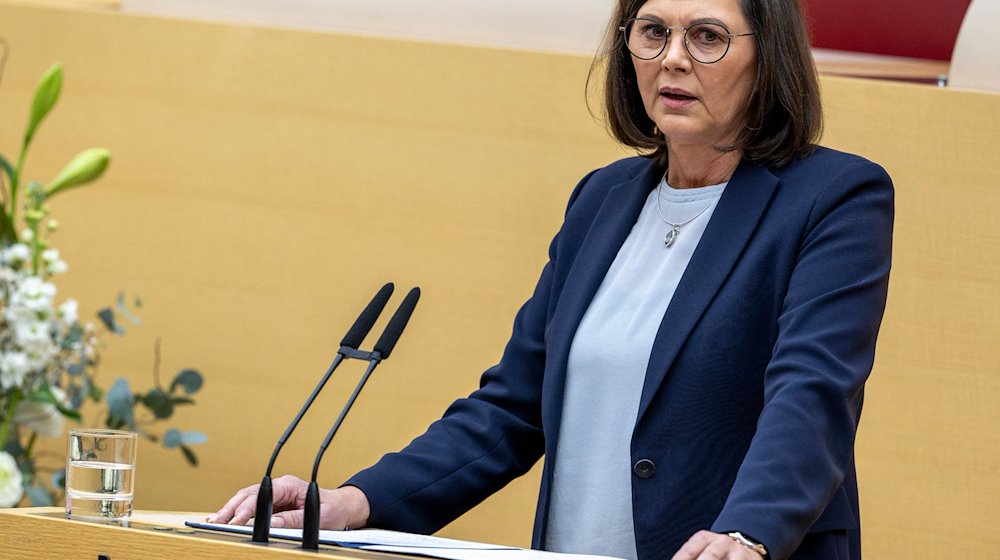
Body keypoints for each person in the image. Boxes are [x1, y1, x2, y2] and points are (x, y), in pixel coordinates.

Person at [210, 0, 893, 558]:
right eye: (653, 32)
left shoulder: (832, 198)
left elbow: (811, 393)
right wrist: (355, 503)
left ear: (765, 54)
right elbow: (512, 407)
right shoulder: (603, 199)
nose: (673, 58)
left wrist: (749, 533)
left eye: (708, 36)